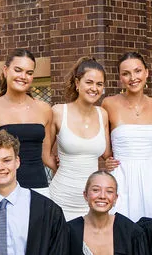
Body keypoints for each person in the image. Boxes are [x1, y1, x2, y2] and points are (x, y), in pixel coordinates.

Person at [102, 52, 152, 220]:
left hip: (150, 177)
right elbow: (102, 144)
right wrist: (107, 159)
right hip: (122, 176)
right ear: (120, 78)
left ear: (147, 72)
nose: (133, 78)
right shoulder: (109, 103)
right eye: (126, 73)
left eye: (137, 71)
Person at [0, 49, 53, 194]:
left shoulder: (44, 109)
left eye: (29, 73)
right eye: (18, 70)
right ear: (6, 71)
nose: (23, 76)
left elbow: (47, 157)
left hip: (38, 187)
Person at [46, 57, 110, 220]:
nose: (94, 88)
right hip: (62, 196)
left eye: (99, 84)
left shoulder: (102, 114)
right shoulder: (59, 112)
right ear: (77, 83)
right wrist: (60, 168)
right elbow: (45, 154)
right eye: (89, 82)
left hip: (93, 199)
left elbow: (107, 154)